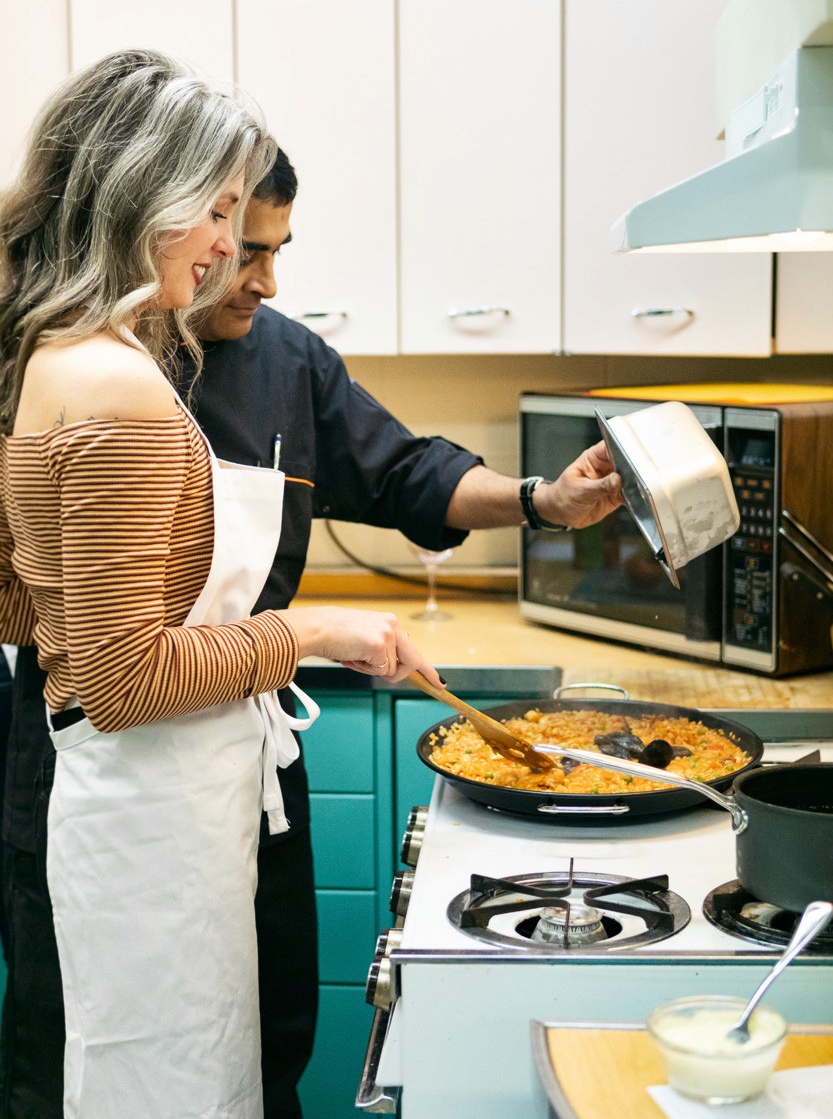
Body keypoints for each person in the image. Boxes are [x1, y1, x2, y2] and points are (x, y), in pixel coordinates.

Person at [0, 145, 623, 1119]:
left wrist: (541, 502)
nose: (262, 276)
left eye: (273, 248)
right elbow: (90, 647)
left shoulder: (283, 356)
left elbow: (399, 470)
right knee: (74, 1040)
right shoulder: (80, 371)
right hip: (89, 755)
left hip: (242, 757)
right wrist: (314, 629)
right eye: (241, 247)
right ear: (164, 227)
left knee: (259, 1030)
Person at [0, 49, 445, 1119]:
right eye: (216, 210)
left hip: (127, 803)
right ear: (145, 195)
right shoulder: (119, 383)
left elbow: (20, 604)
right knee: (165, 1078)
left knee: (93, 1072)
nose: (222, 244)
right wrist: (318, 628)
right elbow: (121, 678)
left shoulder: (48, 355)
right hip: (149, 818)